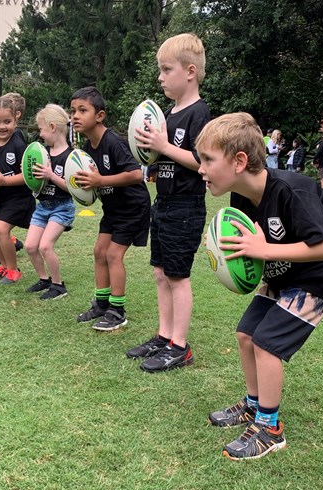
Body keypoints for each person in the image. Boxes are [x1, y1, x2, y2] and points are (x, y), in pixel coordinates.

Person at [196, 113, 323, 460]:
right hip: (283, 274)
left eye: (208, 160)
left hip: (319, 276)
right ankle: (253, 406)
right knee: (246, 334)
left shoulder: (293, 189)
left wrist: (265, 250)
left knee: (267, 344)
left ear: (239, 161)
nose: (201, 169)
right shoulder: (239, 197)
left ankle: (270, 428)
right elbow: (252, 248)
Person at [125, 33, 211, 372]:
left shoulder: (199, 113)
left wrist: (163, 146)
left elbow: (202, 161)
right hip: (162, 204)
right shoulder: (166, 114)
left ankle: (180, 346)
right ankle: (163, 336)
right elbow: (159, 155)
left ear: (190, 71)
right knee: (160, 273)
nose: (160, 77)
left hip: (186, 207)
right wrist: (150, 156)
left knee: (178, 276)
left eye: (166, 69)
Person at [69, 86, 151, 331]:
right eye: (72, 110)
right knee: (99, 251)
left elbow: (136, 174)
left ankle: (117, 311)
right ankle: (101, 304)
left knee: (114, 254)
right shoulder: (87, 148)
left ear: (100, 115)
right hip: (113, 209)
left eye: (83, 110)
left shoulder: (112, 141)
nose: (75, 116)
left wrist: (100, 181)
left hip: (133, 207)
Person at [0, 93, 35, 285]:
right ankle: (3, 265)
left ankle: (13, 270)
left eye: (7, 121)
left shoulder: (18, 144)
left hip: (19, 198)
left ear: (15, 120)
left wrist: (4, 181)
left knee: (1, 231)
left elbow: (28, 176)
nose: (2, 126)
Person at [23, 104, 74, 299]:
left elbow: (73, 188)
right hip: (42, 207)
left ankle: (58, 286)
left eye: (42, 129)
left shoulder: (70, 156)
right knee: (30, 246)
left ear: (53, 127)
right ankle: (44, 279)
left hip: (62, 207)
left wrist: (50, 175)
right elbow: (33, 180)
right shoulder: (41, 152)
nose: (41, 135)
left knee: (45, 246)